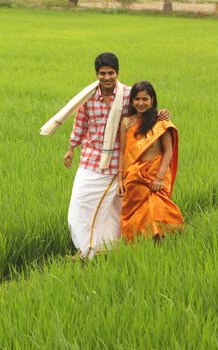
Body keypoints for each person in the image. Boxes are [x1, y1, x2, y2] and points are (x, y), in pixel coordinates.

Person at [64, 53, 169, 260]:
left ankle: (102, 249)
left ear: (117, 73)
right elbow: (80, 124)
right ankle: (86, 246)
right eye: (102, 73)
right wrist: (70, 148)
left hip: (119, 163)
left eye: (111, 73)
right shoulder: (88, 97)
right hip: (90, 159)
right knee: (80, 204)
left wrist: (161, 113)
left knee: (114, 210)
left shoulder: (129, 95)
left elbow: (145, 110)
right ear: (97, 74)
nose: (107, 77)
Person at [117, 81, 184, 241]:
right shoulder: (126, 123)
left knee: (157, 209)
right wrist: (120, 179)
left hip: (156, 174)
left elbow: (168, 150)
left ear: (152, 100)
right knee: (136, 216)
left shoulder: (160, 122)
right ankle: (141, 245)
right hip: (134, 177)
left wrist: (159, 177)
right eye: (137, 99)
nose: (141, 103)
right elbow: (122, 152)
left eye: (145, 99)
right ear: (132, 101)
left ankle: (162, 243)